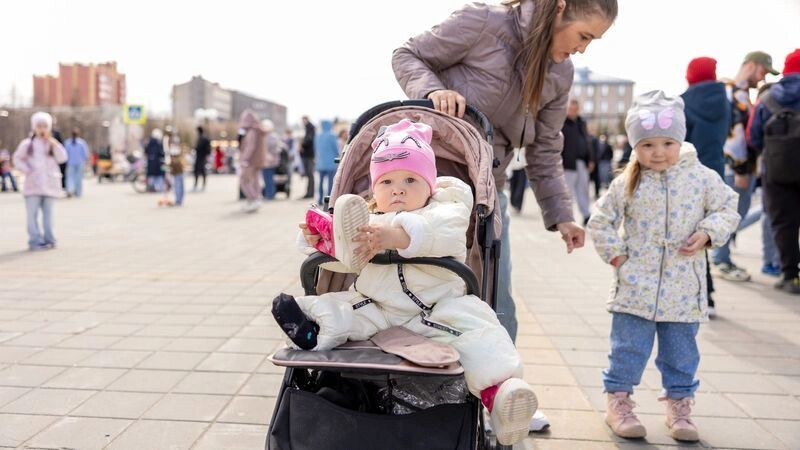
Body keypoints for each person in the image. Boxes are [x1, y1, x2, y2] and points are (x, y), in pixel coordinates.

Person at [393, 0, 617, 432]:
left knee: (497, 297)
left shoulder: (560, 73)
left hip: (486, 190)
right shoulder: (484, 22)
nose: (584, 50)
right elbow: (407, 54)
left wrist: (562, 214)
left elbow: (545, 149)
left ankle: (505, 396)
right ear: (560, 9)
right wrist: (431, 89)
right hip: (429, 180)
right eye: (584, 36)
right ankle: (413, 393)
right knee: (423, 288)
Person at [272, 120, 537, 445]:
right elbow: (346, 256)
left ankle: (502, 395)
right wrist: (320, 239)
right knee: (340, 306)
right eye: (386, 182)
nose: (398, 188)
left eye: (411, 179)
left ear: (430, 185)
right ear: (374, 189)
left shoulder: (445, 210)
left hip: (438, 309)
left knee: (480, 328)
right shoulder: (366, 218)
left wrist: (394, 236)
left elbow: (444, 234)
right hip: (377, 306)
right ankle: (310, 330)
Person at [588, 91, 739, 442]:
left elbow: (727, 209)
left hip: (684, 288)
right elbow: (600, 221)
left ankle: (680, 407)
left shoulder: (701, 178)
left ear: (680, 139)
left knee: (681, 353)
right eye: (648, 145)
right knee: (627, 348)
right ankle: (618, 403)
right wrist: (617, 256)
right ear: (634, 146)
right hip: (635, 286)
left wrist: (706, 233)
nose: (658, 152)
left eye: (667, 143)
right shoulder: (626, 181)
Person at [714, 51, 779, 282]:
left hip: (738, 167)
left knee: (734, 214)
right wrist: (741, 169)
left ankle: (722, 257)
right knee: (732, 214)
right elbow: (737, 136)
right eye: (763, 71)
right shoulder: (737, 93)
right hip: (738, 169)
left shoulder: (734, 91)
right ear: (751, 66)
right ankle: (720, 260)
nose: (762, 78)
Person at [680, 56, 731, 316]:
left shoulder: (683, 103)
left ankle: (702, 293)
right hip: (716, 175)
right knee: (705, 233)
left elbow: (679, 140)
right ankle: (707, 295)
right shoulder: (726, 102)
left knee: (689, 234)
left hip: (688, 175)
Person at [747, 49, 800, 295]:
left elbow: (753, 136)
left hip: (776, 170)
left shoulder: (768, 97)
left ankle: (790, 276)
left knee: (783, 223)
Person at [12, 112, 68, 250]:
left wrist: (54, 143)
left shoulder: (52, 144)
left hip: (50, 185)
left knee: (48, 215)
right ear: (34, 127)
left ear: (49, 128)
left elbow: (63, 158)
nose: (42, 129)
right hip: (33, 185)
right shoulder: (27, 144)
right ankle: (35, 240)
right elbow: (17, 159)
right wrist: (27, 170)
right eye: (39, 126)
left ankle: (50, 238)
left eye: (44, 126)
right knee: (32, 214)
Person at [562, 99, 594, 224]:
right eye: (571, 108)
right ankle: (566, 217)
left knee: (583, 189)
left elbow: (588, 142)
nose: (573, 111)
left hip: (582, 162)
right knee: (567, 192)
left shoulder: (582, 123)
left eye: (575, 109)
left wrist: (591, 159)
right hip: (567, 163)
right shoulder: (562, 123)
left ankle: (586, 215)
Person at [238, 110, 266, 212]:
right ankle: (254, 199)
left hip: (250, 161)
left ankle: (253, 199)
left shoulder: (252, 132)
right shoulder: (258, 130)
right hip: (258, 160)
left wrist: (244, 159)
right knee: (255, 180)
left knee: (244, 180)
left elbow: (250, 147)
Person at [314, 119, 339, 206]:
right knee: (330, 182)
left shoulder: (318, 135)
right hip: (330, 162)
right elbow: (336, 148)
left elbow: (315, 148)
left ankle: (320, 198)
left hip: (320, 162)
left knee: (320, 182)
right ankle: (329, 199)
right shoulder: (332, 135)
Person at [63, 127, 90, 198]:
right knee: (78, 178)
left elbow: (65, 154)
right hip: (79, 163)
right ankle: (78, 192)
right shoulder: (81, 143)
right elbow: (85, 154)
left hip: (70, 163)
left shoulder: (68, 143)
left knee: (70, 178)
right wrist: (86, 161)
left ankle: (70, 190)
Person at [261, 119, 282, 200]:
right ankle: (270, 193)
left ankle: (269, 194)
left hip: (268, 161)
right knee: (268, 178)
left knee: (268, 179)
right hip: (270, 161)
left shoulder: (268, 137)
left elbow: (274, 149)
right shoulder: (274, 136)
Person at [166, 131, 185, 207]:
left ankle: (178, 200)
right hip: (178, 169)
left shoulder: (173, 145)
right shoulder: (174, 144)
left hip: (177, 169)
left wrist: (170, 165)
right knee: (179, 185)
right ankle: (179, 200)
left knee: (178, 185)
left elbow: (174, 159)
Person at [300, 116, 316, 199]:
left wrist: (302, 145)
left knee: (310, 174)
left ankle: (310, 193)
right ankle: (309, 192)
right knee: (309, 175)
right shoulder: (308, 128)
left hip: (309, 155)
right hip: (307, 154)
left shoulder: (310, 128)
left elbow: (309, 140)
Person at [508, 148, 528, 213]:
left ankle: (518, 206)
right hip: (513, 167)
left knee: (520, 187)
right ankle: (513, 203)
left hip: (522, 168)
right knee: (512, 187)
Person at [193, 126, 211, 191]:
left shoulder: (203, 138)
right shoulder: (202, 137)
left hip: (201, 156)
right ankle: (197, 184)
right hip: (200, 156)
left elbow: (206, 148)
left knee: (201, 171)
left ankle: (201, 185)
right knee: (197, 171)